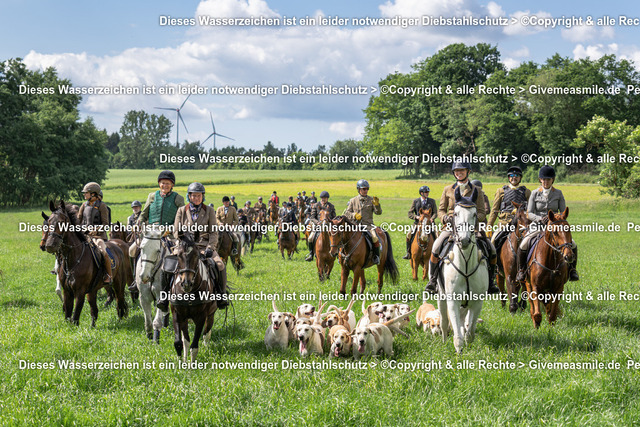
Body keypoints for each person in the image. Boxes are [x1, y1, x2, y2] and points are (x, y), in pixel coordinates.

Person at [424, 162, 500, 295]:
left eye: (462, 170)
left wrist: (472, 219)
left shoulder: (477, 190)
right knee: (436, 246)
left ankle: (491, 282)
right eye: (457, 171)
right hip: (451, 227)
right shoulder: (448, 189)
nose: (459, 173)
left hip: (472, 228)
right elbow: (441, 209)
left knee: (491, 249)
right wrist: (445, 218)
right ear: (454, 173)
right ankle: (433, 281)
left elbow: (482, 212)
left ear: (468, 172)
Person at [516, 165, 579, 282]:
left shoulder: (558, 193)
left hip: (555, 227)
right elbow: (529, 213)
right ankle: (521, 270)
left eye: (548, 179)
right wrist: (540, 219)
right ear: (540, 180)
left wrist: (553, 219)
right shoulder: (534, 193)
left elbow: (563, 212)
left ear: (552, 180)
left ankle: (572, 270)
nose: (546, 182)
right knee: (523, 244)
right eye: (543, 179)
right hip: (538, 226)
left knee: (573, 244)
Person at [172, 182, 229, 309]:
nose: (196, 198)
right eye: (193, 196)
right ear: (189, 196)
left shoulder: (209, 210)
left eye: (199, 196)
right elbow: (175, 231)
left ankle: (221, 295)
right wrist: (181, 236)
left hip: (203, 246)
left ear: (203, 196)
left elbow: (213, 232)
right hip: (185, 247)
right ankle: (164, 297)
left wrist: (210, 247)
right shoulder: (181, 210)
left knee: (220, 265)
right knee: (168, 265)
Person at [77, 182, 112, 286]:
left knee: (103, 252)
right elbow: (78, 220)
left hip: (98, 236)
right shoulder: (83, 205)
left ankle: (108, 275)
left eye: (86, 193)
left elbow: (106, 224)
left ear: (93, 194)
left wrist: (95, 231)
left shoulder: (102, 206)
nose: (84, 195)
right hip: (85, 235)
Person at [488, 166, 530, 245]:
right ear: (508, 177)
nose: (514, 178)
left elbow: (530, 209)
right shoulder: (501, 191)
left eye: (517, 176)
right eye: (511, 176)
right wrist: (489, 225)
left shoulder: (526, 192)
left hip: (520, 224)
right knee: (493, 241)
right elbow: (494, 210)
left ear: (520, 178)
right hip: (504, 223)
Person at [343, 179, 382, 265]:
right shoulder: (353, 200)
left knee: (375, 238)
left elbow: (378, 213)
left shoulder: (371, 200)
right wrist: (354, 215)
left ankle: (376, 256)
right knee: (343, 236)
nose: (366, 191)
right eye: (364, 189)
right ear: (359, 189)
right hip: (355, 225)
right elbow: (346, 213)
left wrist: (377, 205)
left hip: (368, 225)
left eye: (367, 189)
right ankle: (341, 256)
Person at [403, 185, 438, 260]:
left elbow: (435, 213)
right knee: (408, 234)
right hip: (418, 224)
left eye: (428, 192)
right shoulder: (416, 201)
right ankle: (408, 252)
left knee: (437, 234)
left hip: (430, 224)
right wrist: (416, 217)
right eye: (426, 192)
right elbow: (410, 213)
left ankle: (437, 252)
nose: (427, 193)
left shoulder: (432, 201)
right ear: (421, 193)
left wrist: (432, 218)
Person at [305, 191, 337, 261]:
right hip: (318, 226)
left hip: (328, 226)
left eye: (325, 198)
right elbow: (312, 217)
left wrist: (330, 222)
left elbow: (334, 217)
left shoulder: (331, 206)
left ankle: (337, 253)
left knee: (336, 237)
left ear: (327, 198)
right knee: (310, 238)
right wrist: (317, 223)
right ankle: (311, 254)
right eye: (322, 198)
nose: (323, 199)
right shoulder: (316, 205)